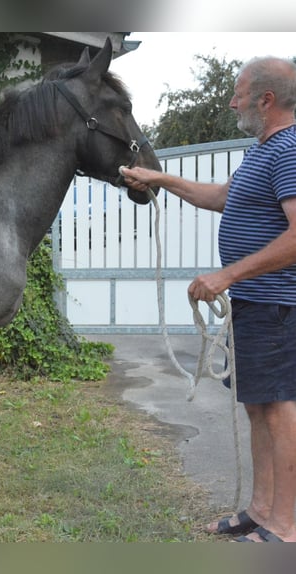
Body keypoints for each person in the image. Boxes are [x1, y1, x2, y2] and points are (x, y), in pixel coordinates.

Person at [120, 55, 296, 543]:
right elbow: (222, 197)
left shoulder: (288, 150)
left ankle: (286, 524)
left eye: (238, 92)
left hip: (276, 303)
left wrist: (227, 275)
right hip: (254, 303)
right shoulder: (263, 149)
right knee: (258, 407)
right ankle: (261, 511)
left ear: (266, 99)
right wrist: (161, 180)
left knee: (279, 409)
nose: (231, 100)